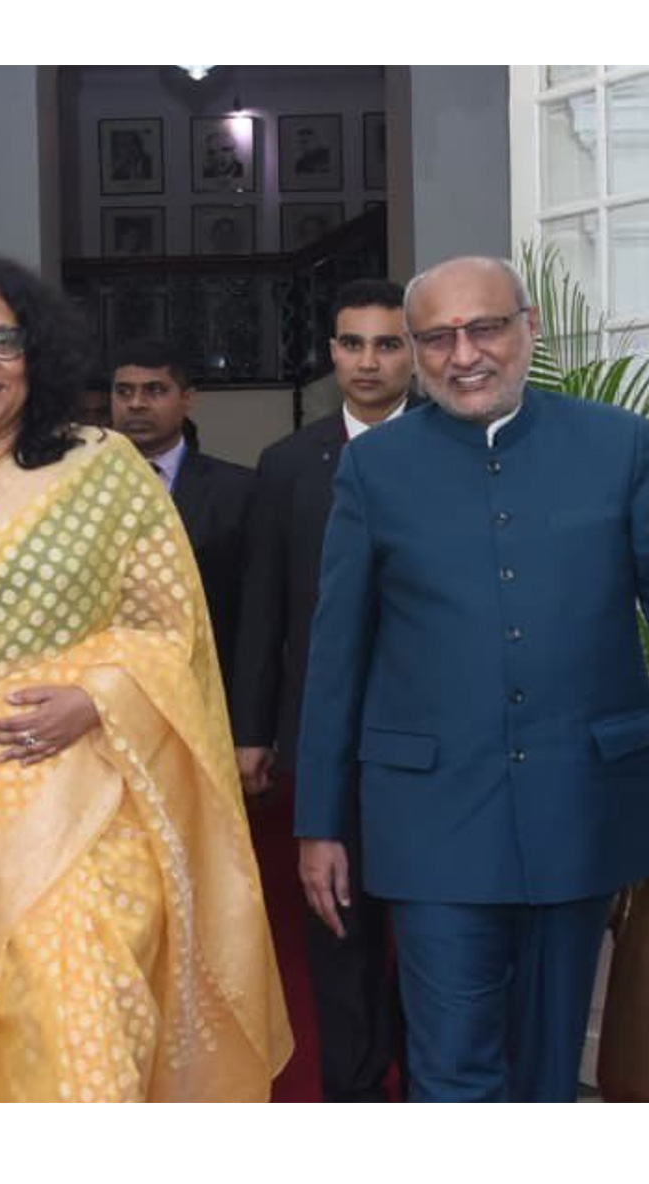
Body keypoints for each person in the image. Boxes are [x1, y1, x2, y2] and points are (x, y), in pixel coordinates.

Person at [0, 256, 290, 1101]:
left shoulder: (100, 470)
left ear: (37, 360)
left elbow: (169, 627)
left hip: (98, 797)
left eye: (4, 340)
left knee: (89, 1009)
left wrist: (94, 697)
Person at [293, 256, 649, 1102]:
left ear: (528, 328)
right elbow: (337, 655)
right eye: (437, 338)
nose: (463, 354)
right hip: (434, 820)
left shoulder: (617, 445)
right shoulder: (374, 468)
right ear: (417, 351)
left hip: (585, 804)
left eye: (485, 328)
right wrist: (320, 820)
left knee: (549, 1070)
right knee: (453, 1067)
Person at [231, 279, 414, 1101]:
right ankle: (350, 1098)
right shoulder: (287, 465)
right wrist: (253, 732)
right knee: (335, 932)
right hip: (321, 738)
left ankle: (429, 1088)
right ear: (331, 353)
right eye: (352, 344)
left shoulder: (452, 447)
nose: (368, 361)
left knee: (426, 935)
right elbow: (261, 607)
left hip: (428, 747)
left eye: (387, 344)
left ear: (412, 352)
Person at [111, 340, 253, 706]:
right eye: (124, 392)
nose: (136, 403)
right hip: (106, 696)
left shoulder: (237, 490)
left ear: (187, 399)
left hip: (208, 691)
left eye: (155, 390)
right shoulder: (75, 489)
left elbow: (257, 613)